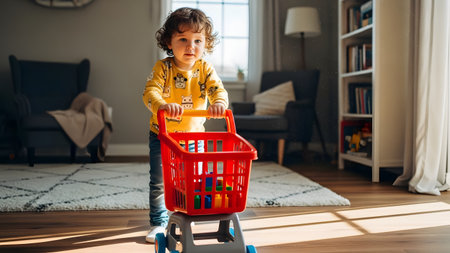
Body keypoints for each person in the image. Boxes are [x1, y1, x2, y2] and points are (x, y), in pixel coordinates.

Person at [142, 7, 229, 243]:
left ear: (205, 44)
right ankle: (158, 222)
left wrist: (219, 103)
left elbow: (218, 90)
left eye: (197, 40)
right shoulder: (163, 68)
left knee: (194, 179)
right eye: (183, 39)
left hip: (194, 138)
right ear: (169, 42)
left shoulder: (205, 69)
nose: (191, 46)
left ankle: (189, 215)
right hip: (163, 136)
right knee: (160, 181)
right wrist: (161, 105)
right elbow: (150, 93)